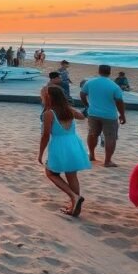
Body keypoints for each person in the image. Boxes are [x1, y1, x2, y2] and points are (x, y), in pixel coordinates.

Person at [38, 86, 91, 216]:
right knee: (72, 175)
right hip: (73, 143)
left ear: (48, 98)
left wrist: (40, 153)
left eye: (43, 96)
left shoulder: (49, 114)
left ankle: (73, 196)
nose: (42, 98)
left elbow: (45, 136)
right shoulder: (69, 110)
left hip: (59, 144)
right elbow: (82, 116)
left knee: (50, 172)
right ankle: (74, 205)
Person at [80, 65, 126, 167]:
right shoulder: (114, 86)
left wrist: (87, 105)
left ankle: (91, 155)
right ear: (109, 72)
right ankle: (107, 161)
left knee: (92, 134)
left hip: (93, 114)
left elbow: (82, 94)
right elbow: (119, 102)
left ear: (99, 71)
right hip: (109, 115)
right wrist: (122, 115)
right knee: (110, 137)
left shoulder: (90, 82)